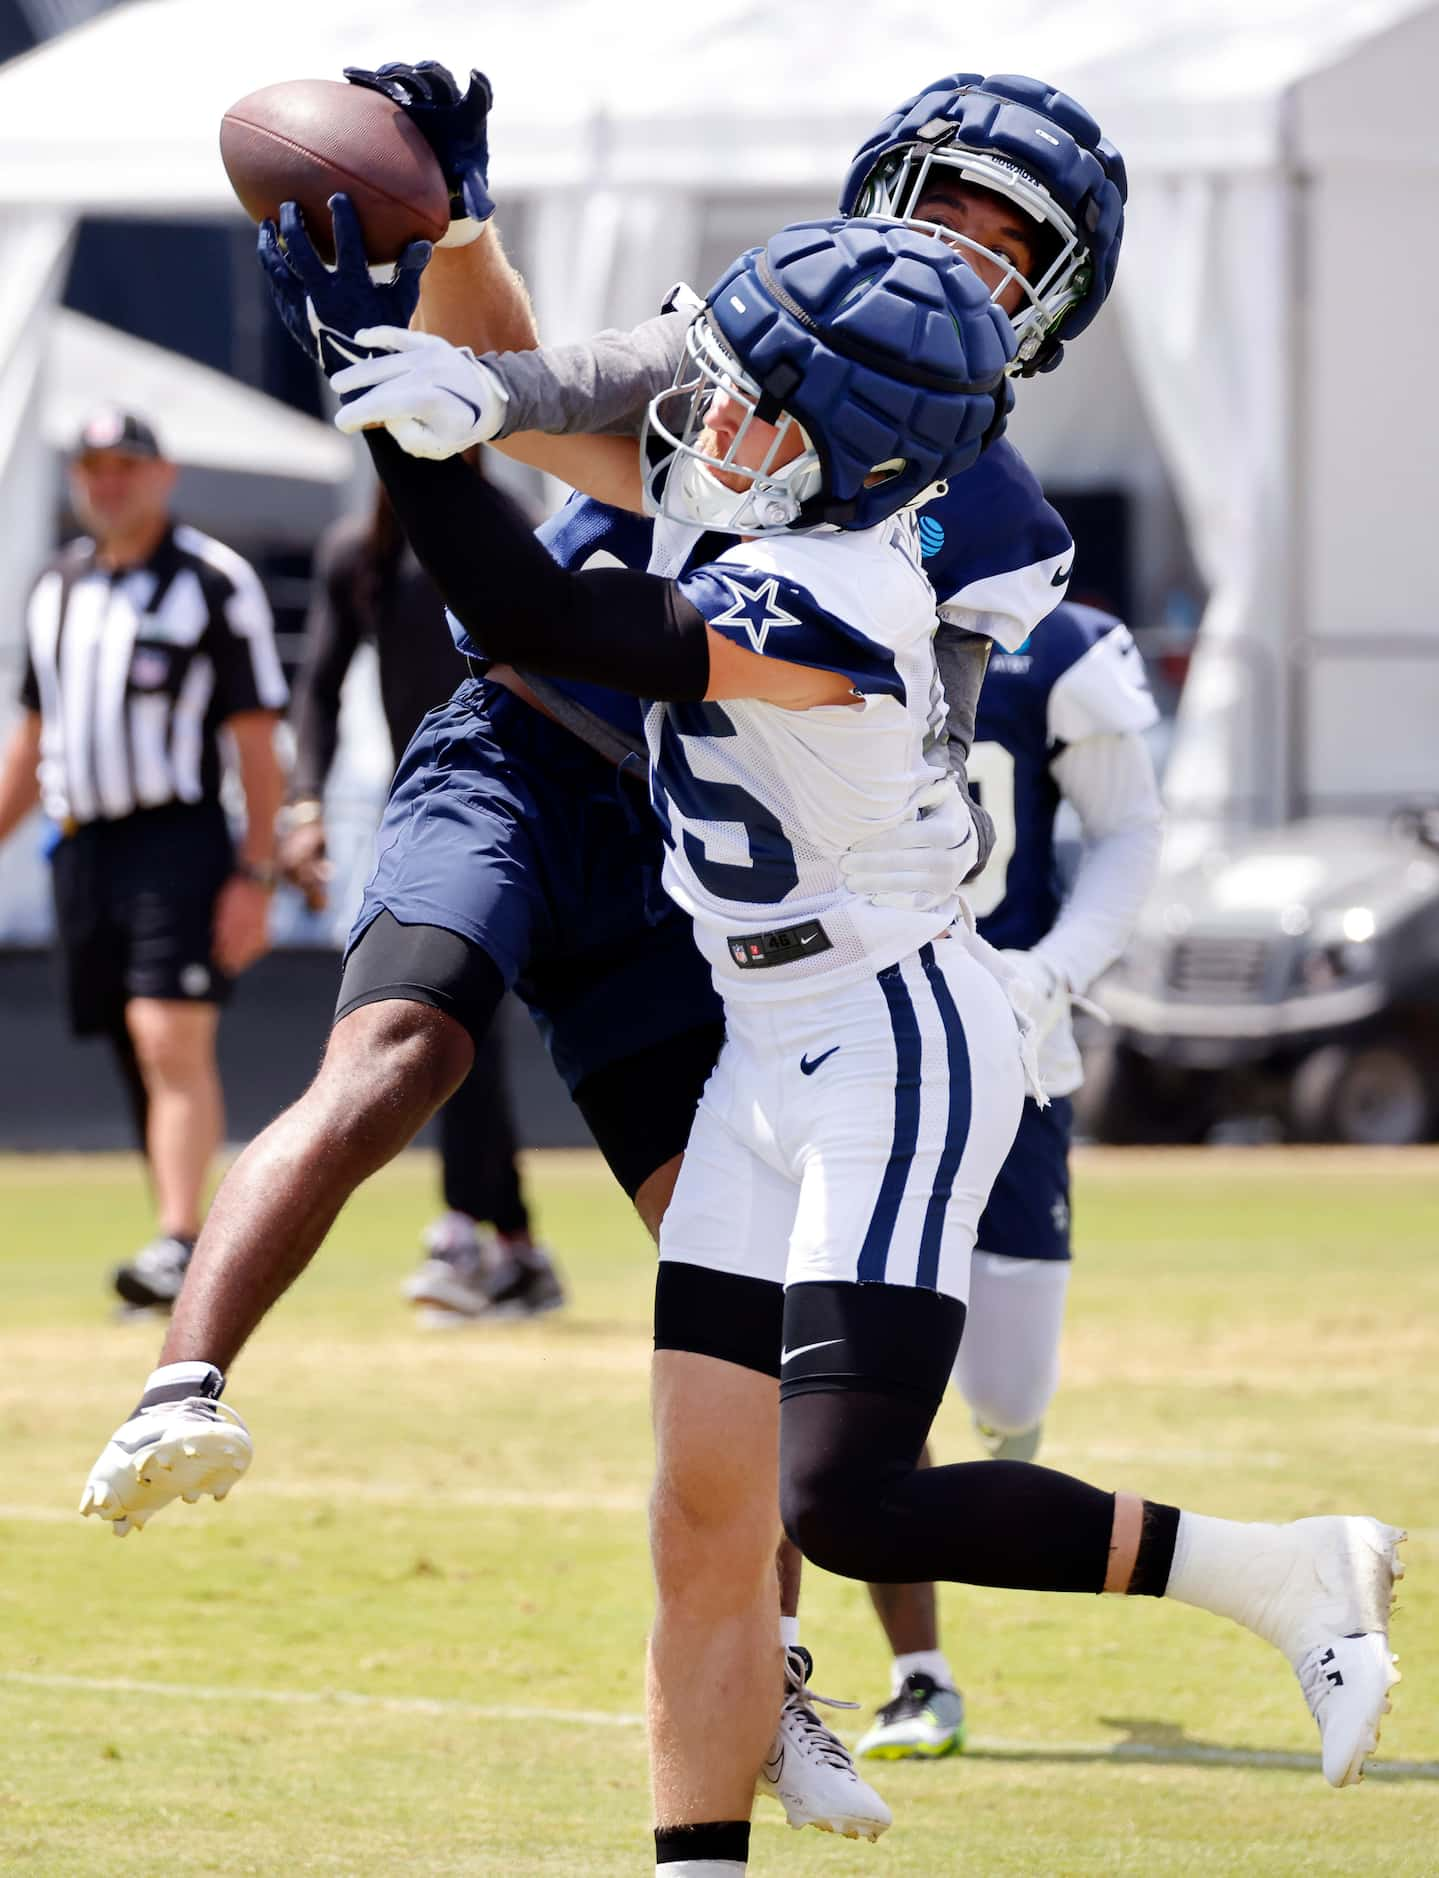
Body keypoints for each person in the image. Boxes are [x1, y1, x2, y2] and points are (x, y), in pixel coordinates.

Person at [92, 193, 1402, 1878]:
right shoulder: (766, 503)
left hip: (889, 1041)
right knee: (702, 1522)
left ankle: (1277, 1568)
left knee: (839, 1494)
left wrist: (395, 409)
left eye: (750, 401)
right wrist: (442, 364)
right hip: (762, 1046)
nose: (708, 416)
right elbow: (584, 405)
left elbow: (550, 620)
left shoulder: (837, 591)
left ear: (842, 455)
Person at [853, 595, 1166, 1759]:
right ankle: (909, 1672)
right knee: (850, 1371)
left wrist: (1053, 972)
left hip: (1016, 1042)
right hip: (851, 1042)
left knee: (1003, 1394)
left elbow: (1130, 827)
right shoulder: (802, 585)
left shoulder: (1058, 636)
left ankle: (1004, 1452)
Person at [0, 408, 286, 1307]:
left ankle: (177, 1238)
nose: (107, 483)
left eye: (124, 465)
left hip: (178, 836)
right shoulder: (55, 587)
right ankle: (184, 1238)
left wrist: (255, 873)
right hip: (83, 845)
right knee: (130, 1042)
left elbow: (255, 741)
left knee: (168, 1034)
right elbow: (34, 736)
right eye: (91, 467)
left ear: (163, 475)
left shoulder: (211, 580)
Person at [282, 481, 562, 1319]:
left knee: (458, 1024)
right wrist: (304, 809)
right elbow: (318, 687)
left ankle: (480, 1237)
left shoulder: (508, 521)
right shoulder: (358, 551)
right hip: (424, 810)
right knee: (446, 1022)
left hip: (518, 796)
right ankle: (503, 1244)